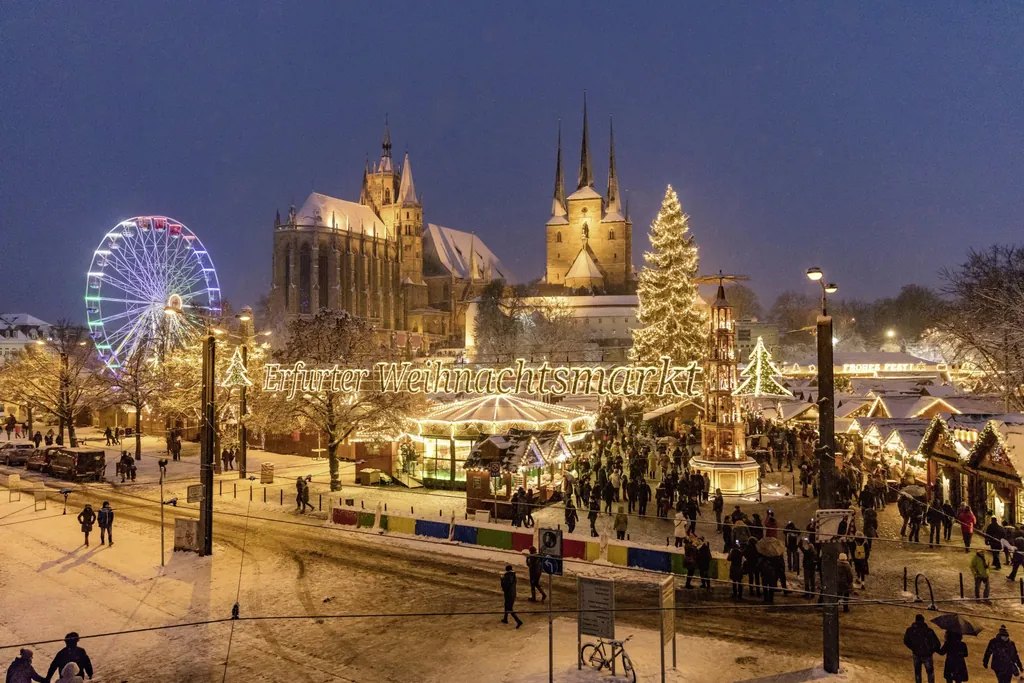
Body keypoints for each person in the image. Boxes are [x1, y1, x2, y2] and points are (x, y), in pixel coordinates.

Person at [903, 614, 941, 683]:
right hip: (927, 655)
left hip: (916, 653)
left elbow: (906, 641)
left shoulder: (910, 630)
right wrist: (931, 650)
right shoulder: (929, 631)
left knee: (917, 672)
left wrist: (913, 648)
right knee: (930, 673)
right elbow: (937, 643)